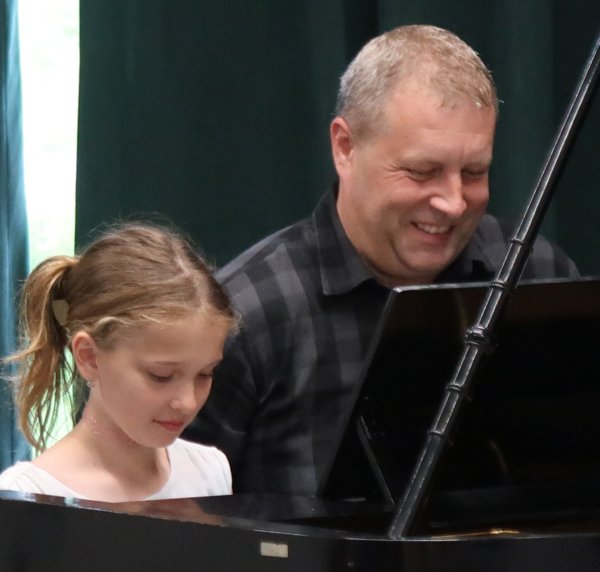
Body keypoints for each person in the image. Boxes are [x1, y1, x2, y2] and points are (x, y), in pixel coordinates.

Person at [183, 25, 578, 496]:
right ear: (345, 147)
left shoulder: (537, 275)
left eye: (474, 172)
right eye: (421, 171)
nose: (453, 203)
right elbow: (179, 521)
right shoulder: (246, 315)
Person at [0, 223, 238, 502]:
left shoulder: (210, 472)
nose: (187, 402)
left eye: (205, 374)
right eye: (160, 375)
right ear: (89, 357)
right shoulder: (27, 494)